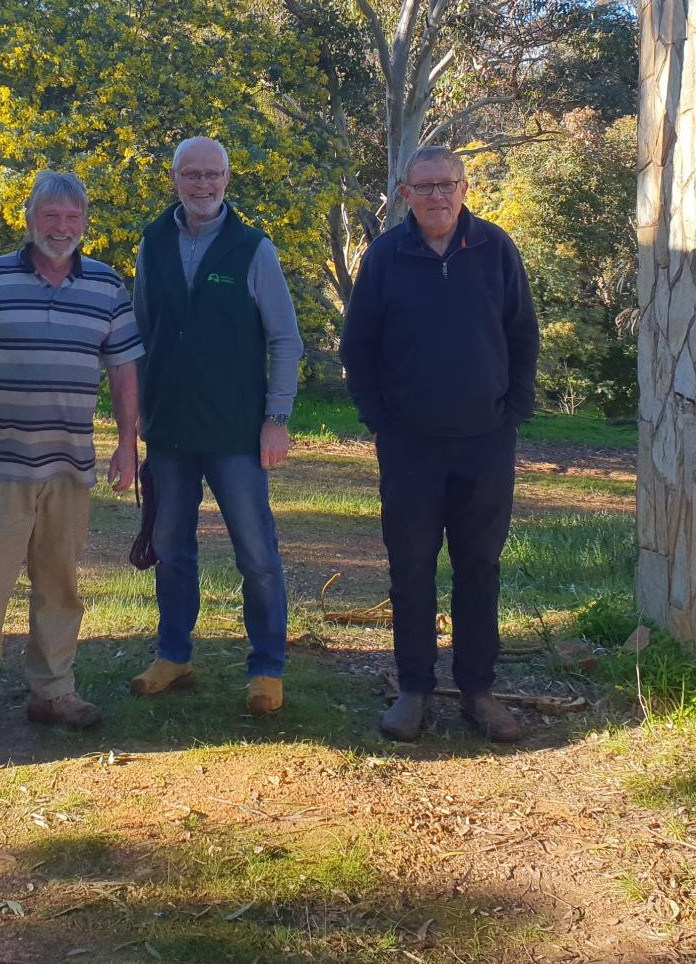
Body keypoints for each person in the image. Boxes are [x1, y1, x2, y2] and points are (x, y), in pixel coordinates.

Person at [0, 171, 142, 765]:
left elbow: (124, 372)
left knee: (60, 588)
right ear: (29, 219)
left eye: (73, 219)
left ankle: (53, 693)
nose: (62, 228)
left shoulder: (106, 286)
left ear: (85, 224)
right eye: (51, 216)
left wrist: (128, 445)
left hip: (70, 468)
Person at [340, 145, 539, 743]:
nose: (437, 196)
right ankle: (414, 690)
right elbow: (358, 348)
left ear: (464, 187)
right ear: (405, 193)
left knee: (479, 566)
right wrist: (382, 421)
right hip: (410, 447)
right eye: (424, 187)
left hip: (485, 443)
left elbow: (523, 334)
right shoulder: (385, 256)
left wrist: (513, 414)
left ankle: (479, 690)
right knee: (412, 569)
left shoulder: (495, 249)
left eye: (447, 184)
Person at [129, 136, 304, 718]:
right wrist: (132, 423)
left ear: (228, 179)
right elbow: (137, 336)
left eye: (214, 175)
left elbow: (284, 339)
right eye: (192, 175)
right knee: (171, 546)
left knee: (256, 553)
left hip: (236, 431)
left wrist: (277, 418)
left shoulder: (253, 249)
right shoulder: (152, 243)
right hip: (170, 429)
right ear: (174, 179)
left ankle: (266, 668)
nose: (203, 186)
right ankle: (173, 654)